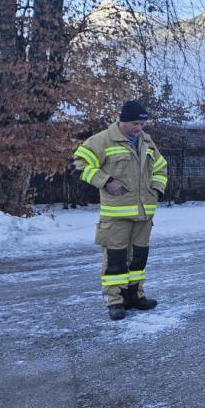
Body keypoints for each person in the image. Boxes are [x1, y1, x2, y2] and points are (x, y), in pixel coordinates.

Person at [71, 100, 166, 321]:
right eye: (135, 124)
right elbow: (79, 164)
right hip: (116, 214)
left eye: (142, 124)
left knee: (139, 259)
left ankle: (135, 296)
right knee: (115, 259)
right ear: (123, 121)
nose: (139, 128)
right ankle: (115, 301)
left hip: (144, 214)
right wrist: (105, 181)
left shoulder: (146, 141)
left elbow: (161, 166)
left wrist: (157, 189)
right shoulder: (102, 140)